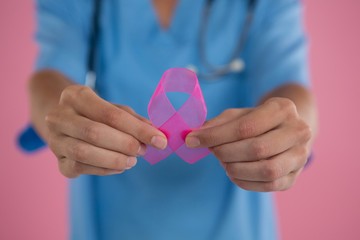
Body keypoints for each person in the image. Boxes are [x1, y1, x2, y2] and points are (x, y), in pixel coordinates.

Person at [28, 0, 317, 239]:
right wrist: (61, 113)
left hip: (234, 226)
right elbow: (52, 73)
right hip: (113, 222)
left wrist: (287, 131)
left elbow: (289, 87)